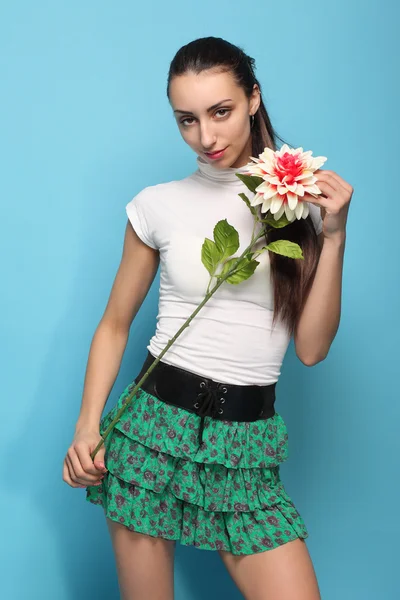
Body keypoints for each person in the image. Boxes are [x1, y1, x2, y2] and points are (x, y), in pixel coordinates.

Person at [63, 36, 352, 600]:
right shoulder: (157, 205)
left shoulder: (293, 205)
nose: (206, 136)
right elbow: (115, 323)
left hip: (247, 440)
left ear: (253, 99)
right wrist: (87, 425)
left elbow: (312, 349)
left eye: (220, 112)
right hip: (153, 430)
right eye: (186, 120)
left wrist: (334, 235)